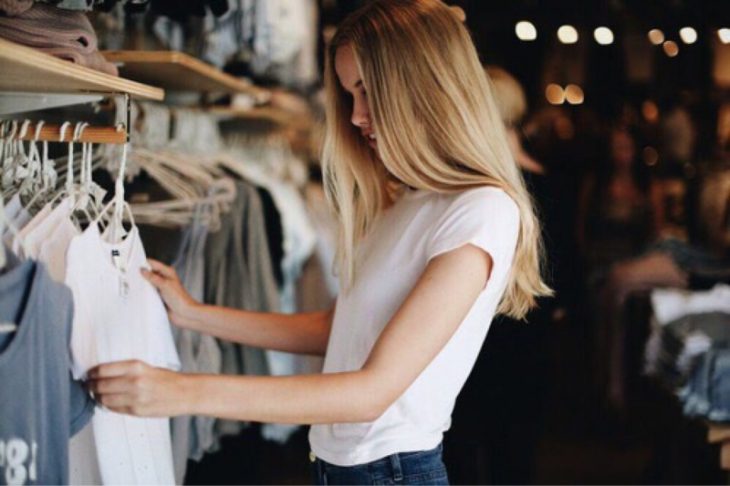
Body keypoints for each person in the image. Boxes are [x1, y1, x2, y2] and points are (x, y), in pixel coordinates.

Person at [88, 1, 551, 484]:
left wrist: (181, 393)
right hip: (342, 466)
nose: (355, 117)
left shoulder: (482, 210)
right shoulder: (407, 199)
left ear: (423, 85)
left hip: (390, 472)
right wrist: (193, 314)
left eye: (368, 92)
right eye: (350, 95)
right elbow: (334, 328)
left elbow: (371, 392)